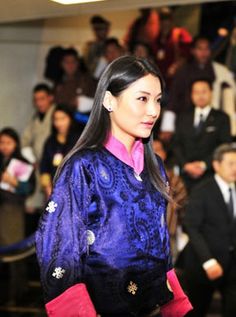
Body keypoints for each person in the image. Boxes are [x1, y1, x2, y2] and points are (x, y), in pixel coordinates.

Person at [36, 56, 192, 317]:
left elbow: (161, 245)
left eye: (158, 100)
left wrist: (176, 306)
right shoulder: (83, 166)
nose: (153, 111)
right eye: (142, 99)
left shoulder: (154, 165)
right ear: (109, 100)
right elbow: (60, 251)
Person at [183, 143, 236, 317]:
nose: (235, 168)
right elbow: (191, 227)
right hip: (203, 265)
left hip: (232, 266)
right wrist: (208, 261)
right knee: (198, 310)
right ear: (216, 165)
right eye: (231, 163)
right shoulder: (202, 191)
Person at [160, 36, 236, 141]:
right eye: (200, 49)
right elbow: (173, 99)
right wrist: (167, 126)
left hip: (214, 121)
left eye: (207, 49)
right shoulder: (183, 72)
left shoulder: (221, 71)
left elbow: (232, 96)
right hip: (185, 122)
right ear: (193, 51)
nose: (204, 53)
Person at [173, 78, 232, 192]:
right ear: (191, 95)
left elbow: (224, 146)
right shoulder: (183, 117)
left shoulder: (222, 118)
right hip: (185, 176)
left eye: (204, 91)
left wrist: (204, 165)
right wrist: (186, 165)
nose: (200, 95)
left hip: (211, 174)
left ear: (211, 93)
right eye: (196, 92)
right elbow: (176, 144)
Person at [0, 128, 35, 304]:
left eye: (8, 143)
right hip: (2, 209)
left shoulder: (22, 162)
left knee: (15, 253)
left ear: (15, 143)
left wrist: (13, 181)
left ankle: (18, 293)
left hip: (13, 211)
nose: (4, 146)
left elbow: (29, 188)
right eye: (2, 143)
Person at [21, 83, 55, 214]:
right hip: (38, 165)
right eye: (36, 100)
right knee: (33, 207)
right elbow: (25, 140)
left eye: (42, 98)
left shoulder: (57, 114)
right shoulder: (35, 118)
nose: (39, 103)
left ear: (50, 97)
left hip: (54, 166)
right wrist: (32, 159)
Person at [40, 105, 81, 199]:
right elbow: (44, 166)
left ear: (70, 119)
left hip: (75, 191)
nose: (59, 123)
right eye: (56, 119)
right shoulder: (50, 141)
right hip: (53, 190)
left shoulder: (80, 140)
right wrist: (48, 188)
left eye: (63, 119)